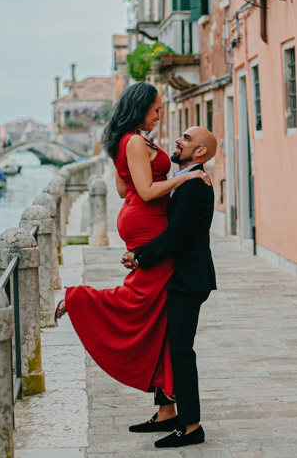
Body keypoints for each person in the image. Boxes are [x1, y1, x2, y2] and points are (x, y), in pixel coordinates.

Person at [54, 82, 207, 402]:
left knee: (154, 307)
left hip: (136, 216)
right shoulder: (135, 141)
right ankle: (79, 299)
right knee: (139, 297)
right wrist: (185, 176)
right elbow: (148, 191)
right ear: (141, 108)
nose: (160, 116)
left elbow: (125, 191)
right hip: (147, 219)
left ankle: (166, 398)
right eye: (156, 110)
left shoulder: (124, 141)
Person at [121, 126, 217, 449]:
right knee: (167, 343)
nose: (179, 140)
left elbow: (174, 235)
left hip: (189, 280)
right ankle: (166, 413)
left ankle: (191, 425)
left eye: (187, 139)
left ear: (200, 153)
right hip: (177, 276)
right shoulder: (182, 182)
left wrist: (140, 257)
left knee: (180, 350)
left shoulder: (197, 187)